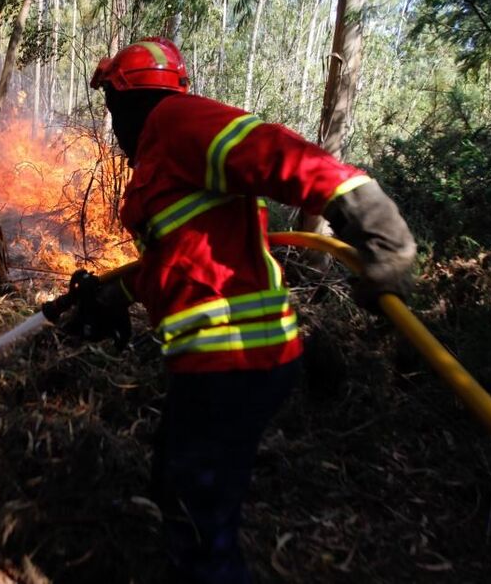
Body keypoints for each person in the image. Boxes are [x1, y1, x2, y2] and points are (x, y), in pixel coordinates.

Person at [53, 37, 416, 583]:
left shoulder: (178, 122)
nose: (110, 121)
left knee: (200, 519)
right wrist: (115, 296)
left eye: (111, 106)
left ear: (132, 99)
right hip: (219, 363)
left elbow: (275, 152)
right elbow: (180, 262)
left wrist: (366, 212)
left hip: (234, 360)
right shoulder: (161, 155)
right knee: (177, 474)